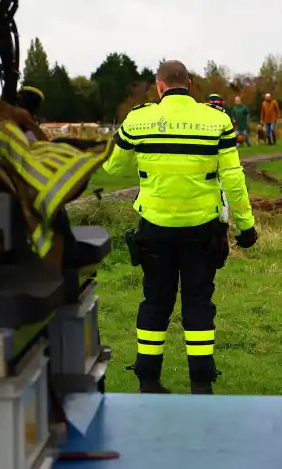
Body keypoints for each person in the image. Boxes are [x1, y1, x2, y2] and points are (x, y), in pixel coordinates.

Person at [103, 60, 258, 395]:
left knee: (155, 301)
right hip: (202, 228)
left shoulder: (139, 119)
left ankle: (148, 379)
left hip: (154, 227)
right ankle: (201, 383)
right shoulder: (217, 121)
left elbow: (113, 167)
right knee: (198, 302)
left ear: (159, 86)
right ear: (188, 84)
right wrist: (245, 226)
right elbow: (233, 178)